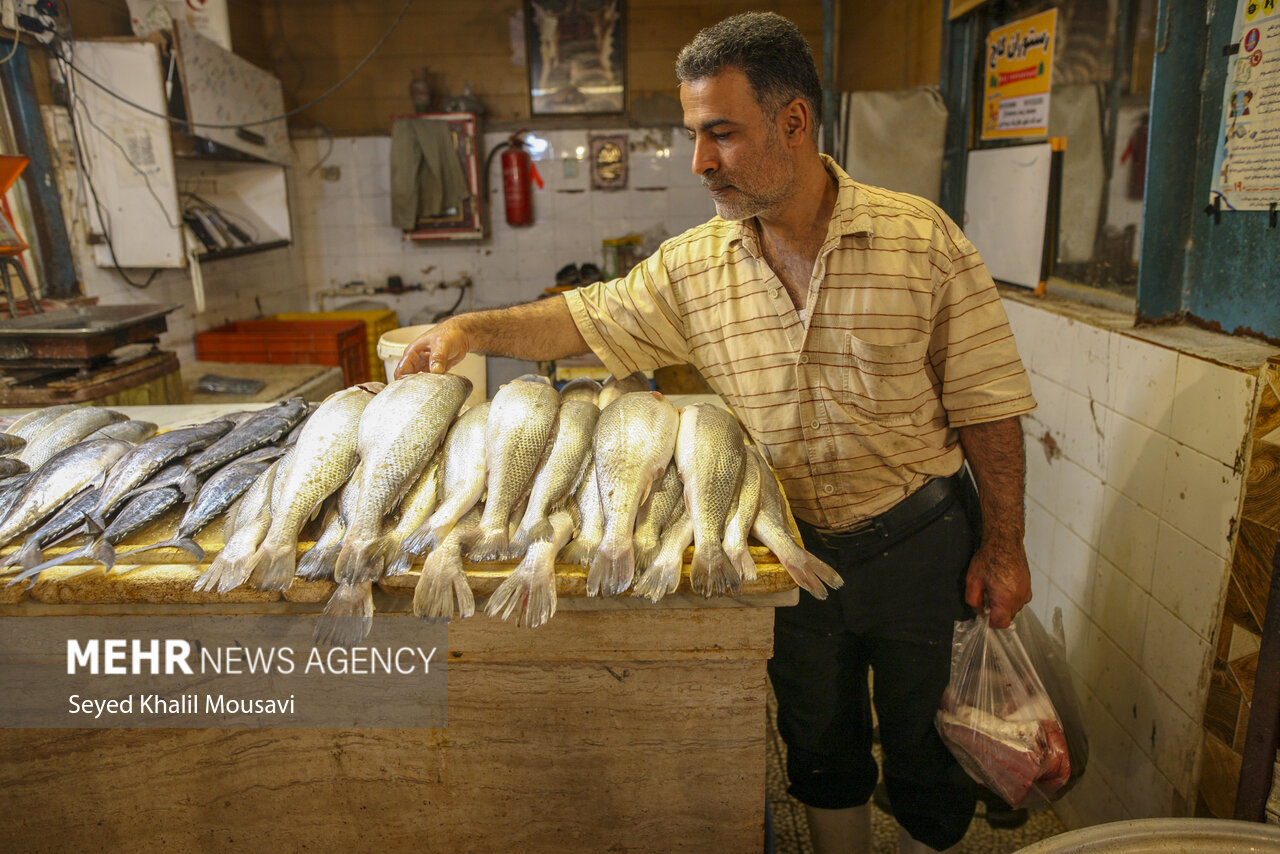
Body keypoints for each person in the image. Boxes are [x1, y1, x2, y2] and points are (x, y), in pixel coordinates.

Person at [396, 12, 1035, 853]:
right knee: (817, 740)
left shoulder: (923, 243)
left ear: (794, 123)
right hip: (784, 542)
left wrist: (1005, 545)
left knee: (930, 744)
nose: (701, 162)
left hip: (920, 537)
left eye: (721, 135)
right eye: (695, 134)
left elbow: (988, 404)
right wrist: (472, 331)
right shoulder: (694, 268)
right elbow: (585, 319)